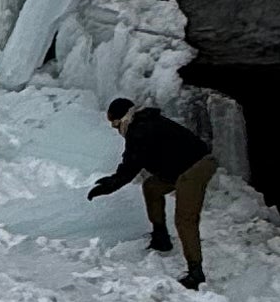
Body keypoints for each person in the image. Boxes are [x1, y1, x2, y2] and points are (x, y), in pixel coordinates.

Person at [88, 95, 215, 287]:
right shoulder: (142, 123)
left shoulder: (139, 130)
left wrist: (111, 185)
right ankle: (160, 236)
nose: (115, 129)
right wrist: (113, 180)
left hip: (195, 168)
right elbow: (132, 160)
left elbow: (131, 164)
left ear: (121, 118)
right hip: (180, 167)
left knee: (185, 220)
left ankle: (195, 272)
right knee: (152, 187)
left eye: (114, 124)